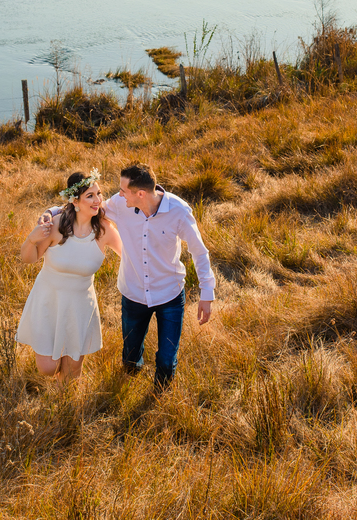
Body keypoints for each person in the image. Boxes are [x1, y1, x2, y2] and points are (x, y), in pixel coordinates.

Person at [41, 163, 216, 390]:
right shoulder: (120, 204)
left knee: (165, 358)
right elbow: (86, 207)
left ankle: (159, 398)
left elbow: (199, 252)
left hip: (170, 295)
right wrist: (51, 212)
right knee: (131, 356)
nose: (118, 194)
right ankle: (128, 385)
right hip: (133, 295)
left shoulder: (178, 212)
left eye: (123, 190)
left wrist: (207, 293)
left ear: (140, 194)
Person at [17, 169, 123, 383]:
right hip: (49, 300)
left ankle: (61, 408)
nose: (98, 200)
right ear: (75, 201)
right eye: (90, 196)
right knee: (47, 368)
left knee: (71, 374)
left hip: (80, 305)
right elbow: (28, 258)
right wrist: (31, 239)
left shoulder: (105, 230)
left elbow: (129, 256)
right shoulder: (56, 225)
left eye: (99, 194)